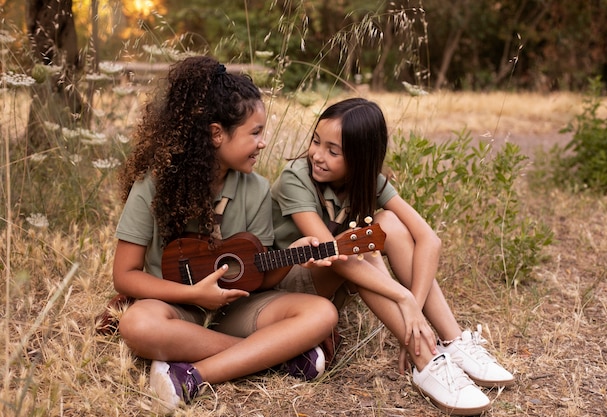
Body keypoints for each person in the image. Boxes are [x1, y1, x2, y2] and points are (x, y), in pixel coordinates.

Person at [112, 56, 340, 412]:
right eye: (255, 133)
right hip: (174, 306)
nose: (263, 143)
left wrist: (295, 253)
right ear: (217, 133)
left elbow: (258, 276)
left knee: (322, 313)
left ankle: (192, 373)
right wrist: (192, 292)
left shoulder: (257, 188)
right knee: (137, 325)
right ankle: (274, 356)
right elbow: (124, 276)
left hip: (238, 307)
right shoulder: (152, 185)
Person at [270, 98, 515, 415]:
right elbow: (330, 253)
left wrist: (413, 304)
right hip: (290, 284)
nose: (317, 154)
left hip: (339, 276)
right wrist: (403, 299)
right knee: (360, 249)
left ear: (361, 158)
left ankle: (453, 341)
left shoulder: (369, 181)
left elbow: (429, 239)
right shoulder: (296, 178)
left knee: (390, 224)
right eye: (316, 141)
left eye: (333, 150)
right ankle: (425, 360)